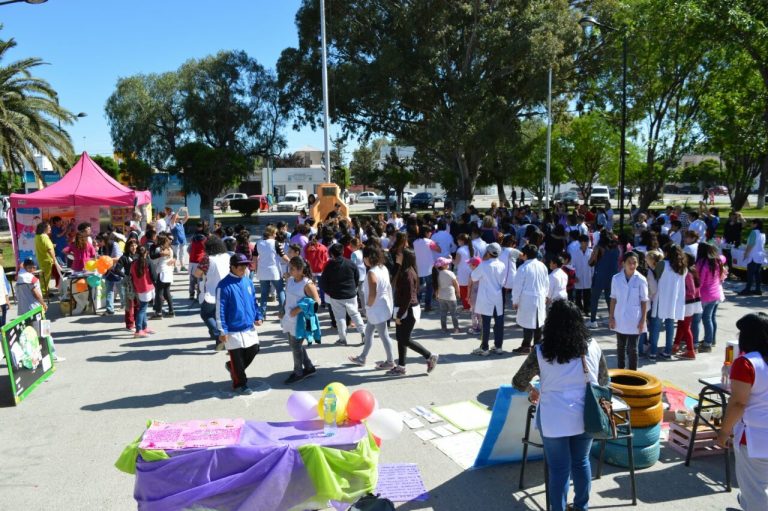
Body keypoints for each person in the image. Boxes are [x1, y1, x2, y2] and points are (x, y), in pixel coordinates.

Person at [512, 300, 609, 511]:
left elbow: (518, 381)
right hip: (586, 415)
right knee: (581, 462)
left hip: (554, 418)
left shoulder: (540, 351)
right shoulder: (593, 346)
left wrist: (533, 390)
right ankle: (581, 506)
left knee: (558, 469)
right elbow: (603, 382)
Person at [716, 312, 768, 511]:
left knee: (754, 490)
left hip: (755, 437)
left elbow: (738, 402)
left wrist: (723, 432)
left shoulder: (746, 363)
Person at [217, 253, 265, 395]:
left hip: (248, 326)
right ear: (232, 267)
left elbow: (253, 301)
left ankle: (233, 368)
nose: (244, 269)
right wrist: (222, 330)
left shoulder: (248, 282)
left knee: (254, 349)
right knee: (237, 358)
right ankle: (240, 383)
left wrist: (258, 315)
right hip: (232, 329)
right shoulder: (223, 286)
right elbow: (220, 310)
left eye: (245, 266)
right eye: (241, 267)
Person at [389, 248, 438, 375]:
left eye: (399, 255)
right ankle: (401, 366)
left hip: (408, 310)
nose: (396, 256)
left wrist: (399, 315)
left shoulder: (407, 273)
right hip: (404, 308)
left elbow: (408, 298)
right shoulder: (405, 270)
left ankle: (429, 355)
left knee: (404, 339)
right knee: (401, 338)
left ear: (405, 258)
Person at [348, 246, 395, 370]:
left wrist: (367, 307)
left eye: (364, 258)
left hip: (376, 308)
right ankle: (362, 357)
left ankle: (390, 361)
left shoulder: (371, 272)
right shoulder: (383, 267)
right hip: (383, 305)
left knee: (384, 335)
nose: (364, 260)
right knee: (368, 332)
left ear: (368, 258)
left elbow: (373, 292)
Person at [609, 251, 649, 370]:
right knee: (620, 347)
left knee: (633, 349)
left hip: (634, 319)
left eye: (634, 263)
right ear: (623, 264)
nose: (632, 265)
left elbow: (644, 301)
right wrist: (611, 317)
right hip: (619, 317)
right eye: (629, 263)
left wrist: (643, 320)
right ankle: (620, 372)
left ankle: (633, 374)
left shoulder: (641, 279)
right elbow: (613, 298)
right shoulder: (616, 278)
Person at [320, 243, 366, 346]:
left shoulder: (329, 265)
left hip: (336, 295)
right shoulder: (350, 263)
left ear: (331, 254)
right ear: (343, 252)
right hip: (350, 293)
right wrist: (353, 288)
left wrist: (329, 291)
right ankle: (364, 334)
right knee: (355, 314)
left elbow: (323, 282)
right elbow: (356, 277)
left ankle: (342, 338)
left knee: (340, 318)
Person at [648, 244, 687, 360]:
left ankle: (653, 352)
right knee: (670, 325)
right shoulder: (683, 267)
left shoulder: (662, 264)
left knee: (655, 325)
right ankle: (667, 351)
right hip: (674, 299)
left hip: (662, 297)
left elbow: (656, 277)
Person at [194, 236, 231, 346]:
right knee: (220, 315)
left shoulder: (207, 259)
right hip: (226, 290)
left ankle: (218, 335)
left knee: (206, 314)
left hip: (211, 291)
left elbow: (197, 273)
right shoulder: (227, 256)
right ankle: (220, 335)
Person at [512, 244, 549, 354]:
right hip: (540, 296)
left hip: (527, 298)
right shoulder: (542, 266)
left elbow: (517, 286)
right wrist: (546, 295)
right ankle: (537, 345)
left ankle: (526, 345)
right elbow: (547, 283)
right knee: (538, 321)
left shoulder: (523, 268)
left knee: (528, 322)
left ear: (526, 255)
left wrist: (515, 300)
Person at [470, 243, 506, 356]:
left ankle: (484, 348)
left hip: (486, 297)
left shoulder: (484, 265)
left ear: (488, 253)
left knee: (486, 323)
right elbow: (503, 281)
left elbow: (473, 277)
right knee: (499, 323)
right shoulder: (502, 265)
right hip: (498, 297)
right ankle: (498, 347)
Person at [696, 242, 727, 353]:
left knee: (704, 319)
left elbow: (701, 281)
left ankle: (707, 343)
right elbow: (723, 258)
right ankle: (711, 340)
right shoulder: (717, 261)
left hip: (705, 294)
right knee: (711, 318)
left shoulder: (702, 263)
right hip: (716, 294)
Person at [254, 225, 289, 318]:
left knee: (264, 293)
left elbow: (254, 258)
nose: (276, 234)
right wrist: (292, 262)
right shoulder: (276, 243)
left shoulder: (258, 243)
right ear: (272, 233)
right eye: (275, 233)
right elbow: (283, 256)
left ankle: (262, 314)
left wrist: (255, 269)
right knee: (280, 290)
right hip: (274, 271)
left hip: (262, 271)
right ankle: (283, 311)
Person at [587, 232, 620, 329]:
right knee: (610, 298)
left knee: (594, 298)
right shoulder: (616, 248)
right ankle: (612, 320)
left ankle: (593, 320)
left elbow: (590, 262)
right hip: (613, 276)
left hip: (600, 275)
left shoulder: (598, 248)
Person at [671, 253, 701, 360]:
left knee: (686, 327)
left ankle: (690, 351)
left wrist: (680, 295)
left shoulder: (687, 273)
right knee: (681, 324)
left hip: (688, 303)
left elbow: (691, 291)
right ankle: (676, 345)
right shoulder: (692, 270)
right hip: (691, 303)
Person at [130, 246, 155, 338]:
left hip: (138, 287)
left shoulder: (133, 263)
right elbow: (154, 276)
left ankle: (144, 327)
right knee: (142, 309)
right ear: (146, 253)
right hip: (147, 287)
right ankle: (138, 330)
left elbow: (131, 276)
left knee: (143, 307)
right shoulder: (148, 262)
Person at [413, 225, 440, 312]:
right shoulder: (429, 242)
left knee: (418, 288)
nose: (431, 234)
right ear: (426, 233)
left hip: (418, 268)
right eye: (429, 232)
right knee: (429, 287)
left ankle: (416, 304)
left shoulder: (415, 242)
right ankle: (427, 305)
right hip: (429, 268)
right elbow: (439, 250)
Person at [115, 239, 139, 332]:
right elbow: (117, 269)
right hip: (129, 283)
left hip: (139, 283)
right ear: (128, 247)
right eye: (131, 246)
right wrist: (125, 276)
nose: (134, 247)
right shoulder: (124, 257)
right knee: (129, 305)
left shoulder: (139, 255)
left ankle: (138, 323)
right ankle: (129, 324)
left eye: (135, 245)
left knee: (138, 305)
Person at [433, 257, 460, 334]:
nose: (449, 264)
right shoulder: (450, 273)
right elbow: (456, 284)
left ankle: (443, 328)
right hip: (451, 296)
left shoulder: (437, 274)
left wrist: (436, 294)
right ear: (444, 265)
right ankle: (456, 328)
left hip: (442, 296)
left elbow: (437, 286)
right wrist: (458, 292)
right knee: (454, 313)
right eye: (447, 263)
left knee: (443, 313)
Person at [152, 234, 175, 318]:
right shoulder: (171, 249)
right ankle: (171, 311)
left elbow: (154, 261)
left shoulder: (159, 249)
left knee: (159, 293)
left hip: (161, 272)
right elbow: (172, 258)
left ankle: (158, 313)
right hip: (169, 272)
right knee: (167, 292)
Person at [740, 219, 765, 296]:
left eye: (752, 223)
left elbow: (751, 244)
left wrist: (746, 253)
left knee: (750, 273)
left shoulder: (754, 232)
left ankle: (748, 289)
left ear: (755, 224)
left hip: (753, 255)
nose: (751, 225)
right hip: (760, 255)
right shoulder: (763, 233)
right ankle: (758, 289)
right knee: (757, 273)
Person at [569, 234, 593, 316]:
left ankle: (587, 310)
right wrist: (574, 276)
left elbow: (593, 265)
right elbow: (572, 266)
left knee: (587, 293)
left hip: (588, 275)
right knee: (578, 294)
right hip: (578, 276)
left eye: (587, 242)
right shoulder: (575, 253)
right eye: (583, 242)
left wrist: (593, 275)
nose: (585, 244)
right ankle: (579, 310)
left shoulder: (591, 252)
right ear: (580, 243)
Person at [34, 221, 57, 298]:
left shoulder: (38, 236)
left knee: (44, 277)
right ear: (44, 228)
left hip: (42, 259)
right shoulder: (44, 237)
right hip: (47, 260)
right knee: (45, 277)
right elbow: (49, 250)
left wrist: (52, 245)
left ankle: (46, 291)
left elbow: (44, 247)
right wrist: (54, 260)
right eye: (49, 227)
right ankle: (44, 293)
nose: (50, 228)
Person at [454, 233, 475, 310]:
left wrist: (450, 259)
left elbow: (456, 262)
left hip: (462, 272)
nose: (457, 242)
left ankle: (466, 306)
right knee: (471, 288)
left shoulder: (460, 250)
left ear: (462, 241)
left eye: (458, 240)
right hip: (471, 270)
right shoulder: (472, 248)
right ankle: (472, 305)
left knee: (463, 289)